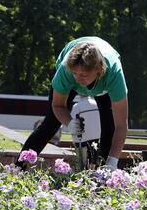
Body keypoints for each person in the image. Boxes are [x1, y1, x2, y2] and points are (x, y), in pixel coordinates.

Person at [18, 36, 128, 170]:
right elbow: (58, 106)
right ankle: (18, 169)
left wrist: (113, 161)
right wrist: (69, 122)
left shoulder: (114, 75)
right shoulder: (66, 70)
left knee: (108, 127)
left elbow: (121, 125)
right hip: (69, 69)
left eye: (84, 75)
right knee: (50, 124)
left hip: (103, 85)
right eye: (75, 73)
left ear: (98, 70)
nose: (78, 79)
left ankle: (103, 176)